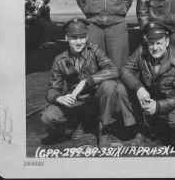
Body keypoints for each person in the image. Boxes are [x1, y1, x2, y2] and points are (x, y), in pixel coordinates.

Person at [41, 18, 122, 148]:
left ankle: (104, 129)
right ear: (66, 38)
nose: (79, 42)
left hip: (95, 99)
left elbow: (113, 70)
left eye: (82, 37)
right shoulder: (59, 60)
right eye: (74, 38)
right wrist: (60, 98)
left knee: (109, 86)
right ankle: (73, 126)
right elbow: (52, 89)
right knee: (48, 117)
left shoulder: (95, 51)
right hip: (75, 102)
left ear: (87, 37)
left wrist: (87, 81)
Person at [118, 21, 175, 145]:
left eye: (159, 43)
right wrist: (139, 88)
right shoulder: (141, 51)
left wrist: (158, 106)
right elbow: (124, 70)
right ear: (146, 42)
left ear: (167, 41)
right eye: (151, 43)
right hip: (150, 96)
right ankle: (141, 129)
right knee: (122, 88)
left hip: (173, 100)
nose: (155, 47)